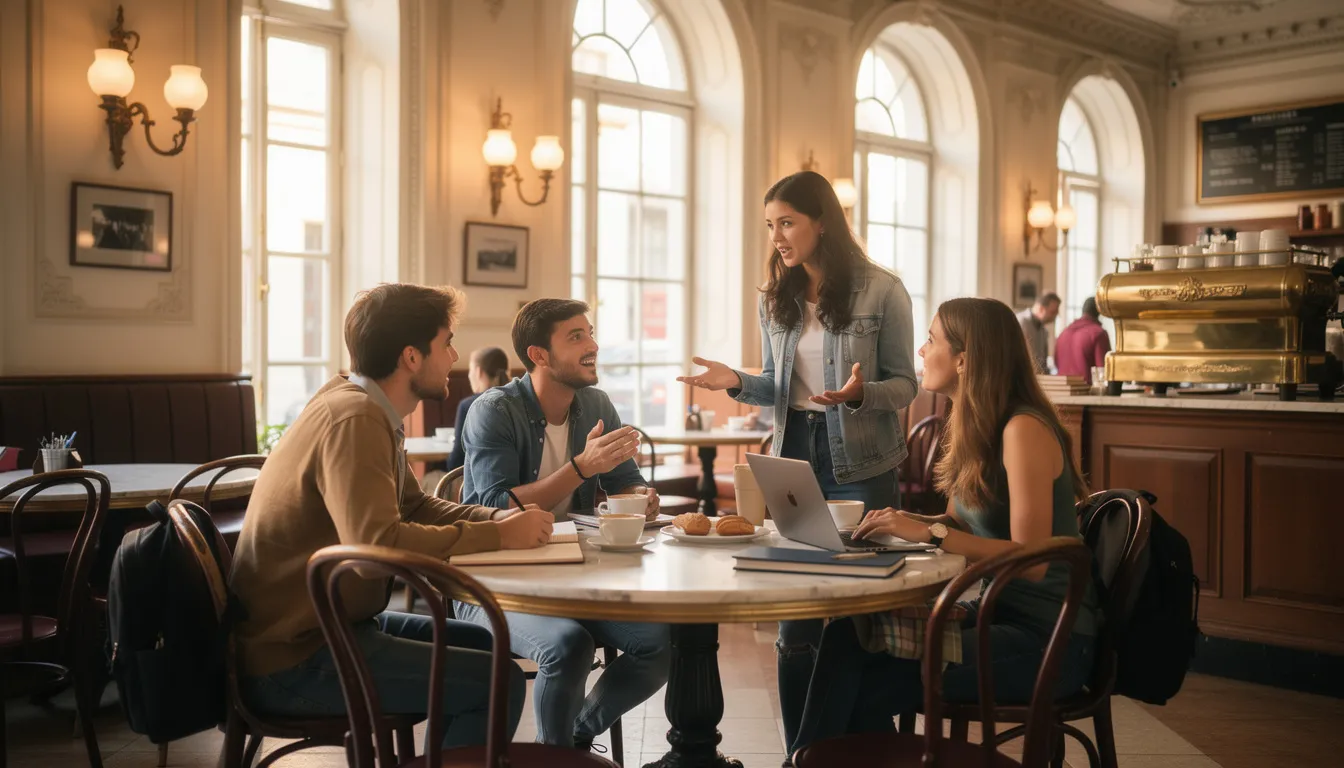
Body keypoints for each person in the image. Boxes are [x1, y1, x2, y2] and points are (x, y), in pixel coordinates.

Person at [230, 283, 556, 747]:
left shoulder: (360, 405)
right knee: (495, 680)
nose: (454, 355)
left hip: (328, 626)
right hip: (293, 655)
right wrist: (500, 539)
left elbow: (415, 504)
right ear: (411, 357)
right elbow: (374, 549)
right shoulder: (356, 419)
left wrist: (495, 521)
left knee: (485, 647)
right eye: (446, 343)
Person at [789, 297, 1099, 754]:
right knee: (847, 636)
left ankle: (804, 762)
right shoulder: (976, 422)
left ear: (964, 359)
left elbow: (1031, 562)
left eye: (931, 339)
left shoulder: (1022, 429)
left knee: (861, 684)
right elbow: (954, 520)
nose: (921, 350)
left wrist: (930, 533)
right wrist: (904, 521)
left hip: (1050, 638)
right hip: (998, 614)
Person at [678, 170, 918, 751]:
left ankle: (859, 753)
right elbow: (781, 389)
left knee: (863, 621)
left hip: (861, 461)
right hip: (795, 455)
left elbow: (906, 385)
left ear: (822, 222)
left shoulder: (883, 291)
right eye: (770, 225)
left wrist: (861, 395)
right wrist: (735, 380)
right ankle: (800, 755)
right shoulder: (775, 298)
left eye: (787, 223)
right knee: (796, 625)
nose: (777, 237)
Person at [458, 298, 670, 750]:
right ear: (539, 355)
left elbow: (625, 482)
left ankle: (570, 743)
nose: (592, 344)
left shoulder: (595, 403)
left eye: (590, 332)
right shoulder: (494, 410)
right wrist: (580, 467)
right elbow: (494, 506)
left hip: (573, 577)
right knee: (569, 647)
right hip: (491, 586)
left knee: (660, 643)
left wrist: (641, 500)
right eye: (576, 337)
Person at [447, 346, 512, 471]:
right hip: (518, 480)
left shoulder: (469, 405)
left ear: (478, 372)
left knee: (429, 479)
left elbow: (457, 459)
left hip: (477, 483)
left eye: (470, 371)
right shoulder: (517, 401)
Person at [1053, 297, 1111, 384]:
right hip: (1085, 392)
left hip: (1061, 391)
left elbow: (1056, 363)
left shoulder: (1063, 333)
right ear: (1100, 312)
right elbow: (1103, 371)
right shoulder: (1098, 333)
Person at [1017, 292, 1060, 374]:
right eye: (1053, 312)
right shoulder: (1021, 322)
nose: (1055, 317)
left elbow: (1043, 362)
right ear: (1041, 309)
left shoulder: (1043, 331)